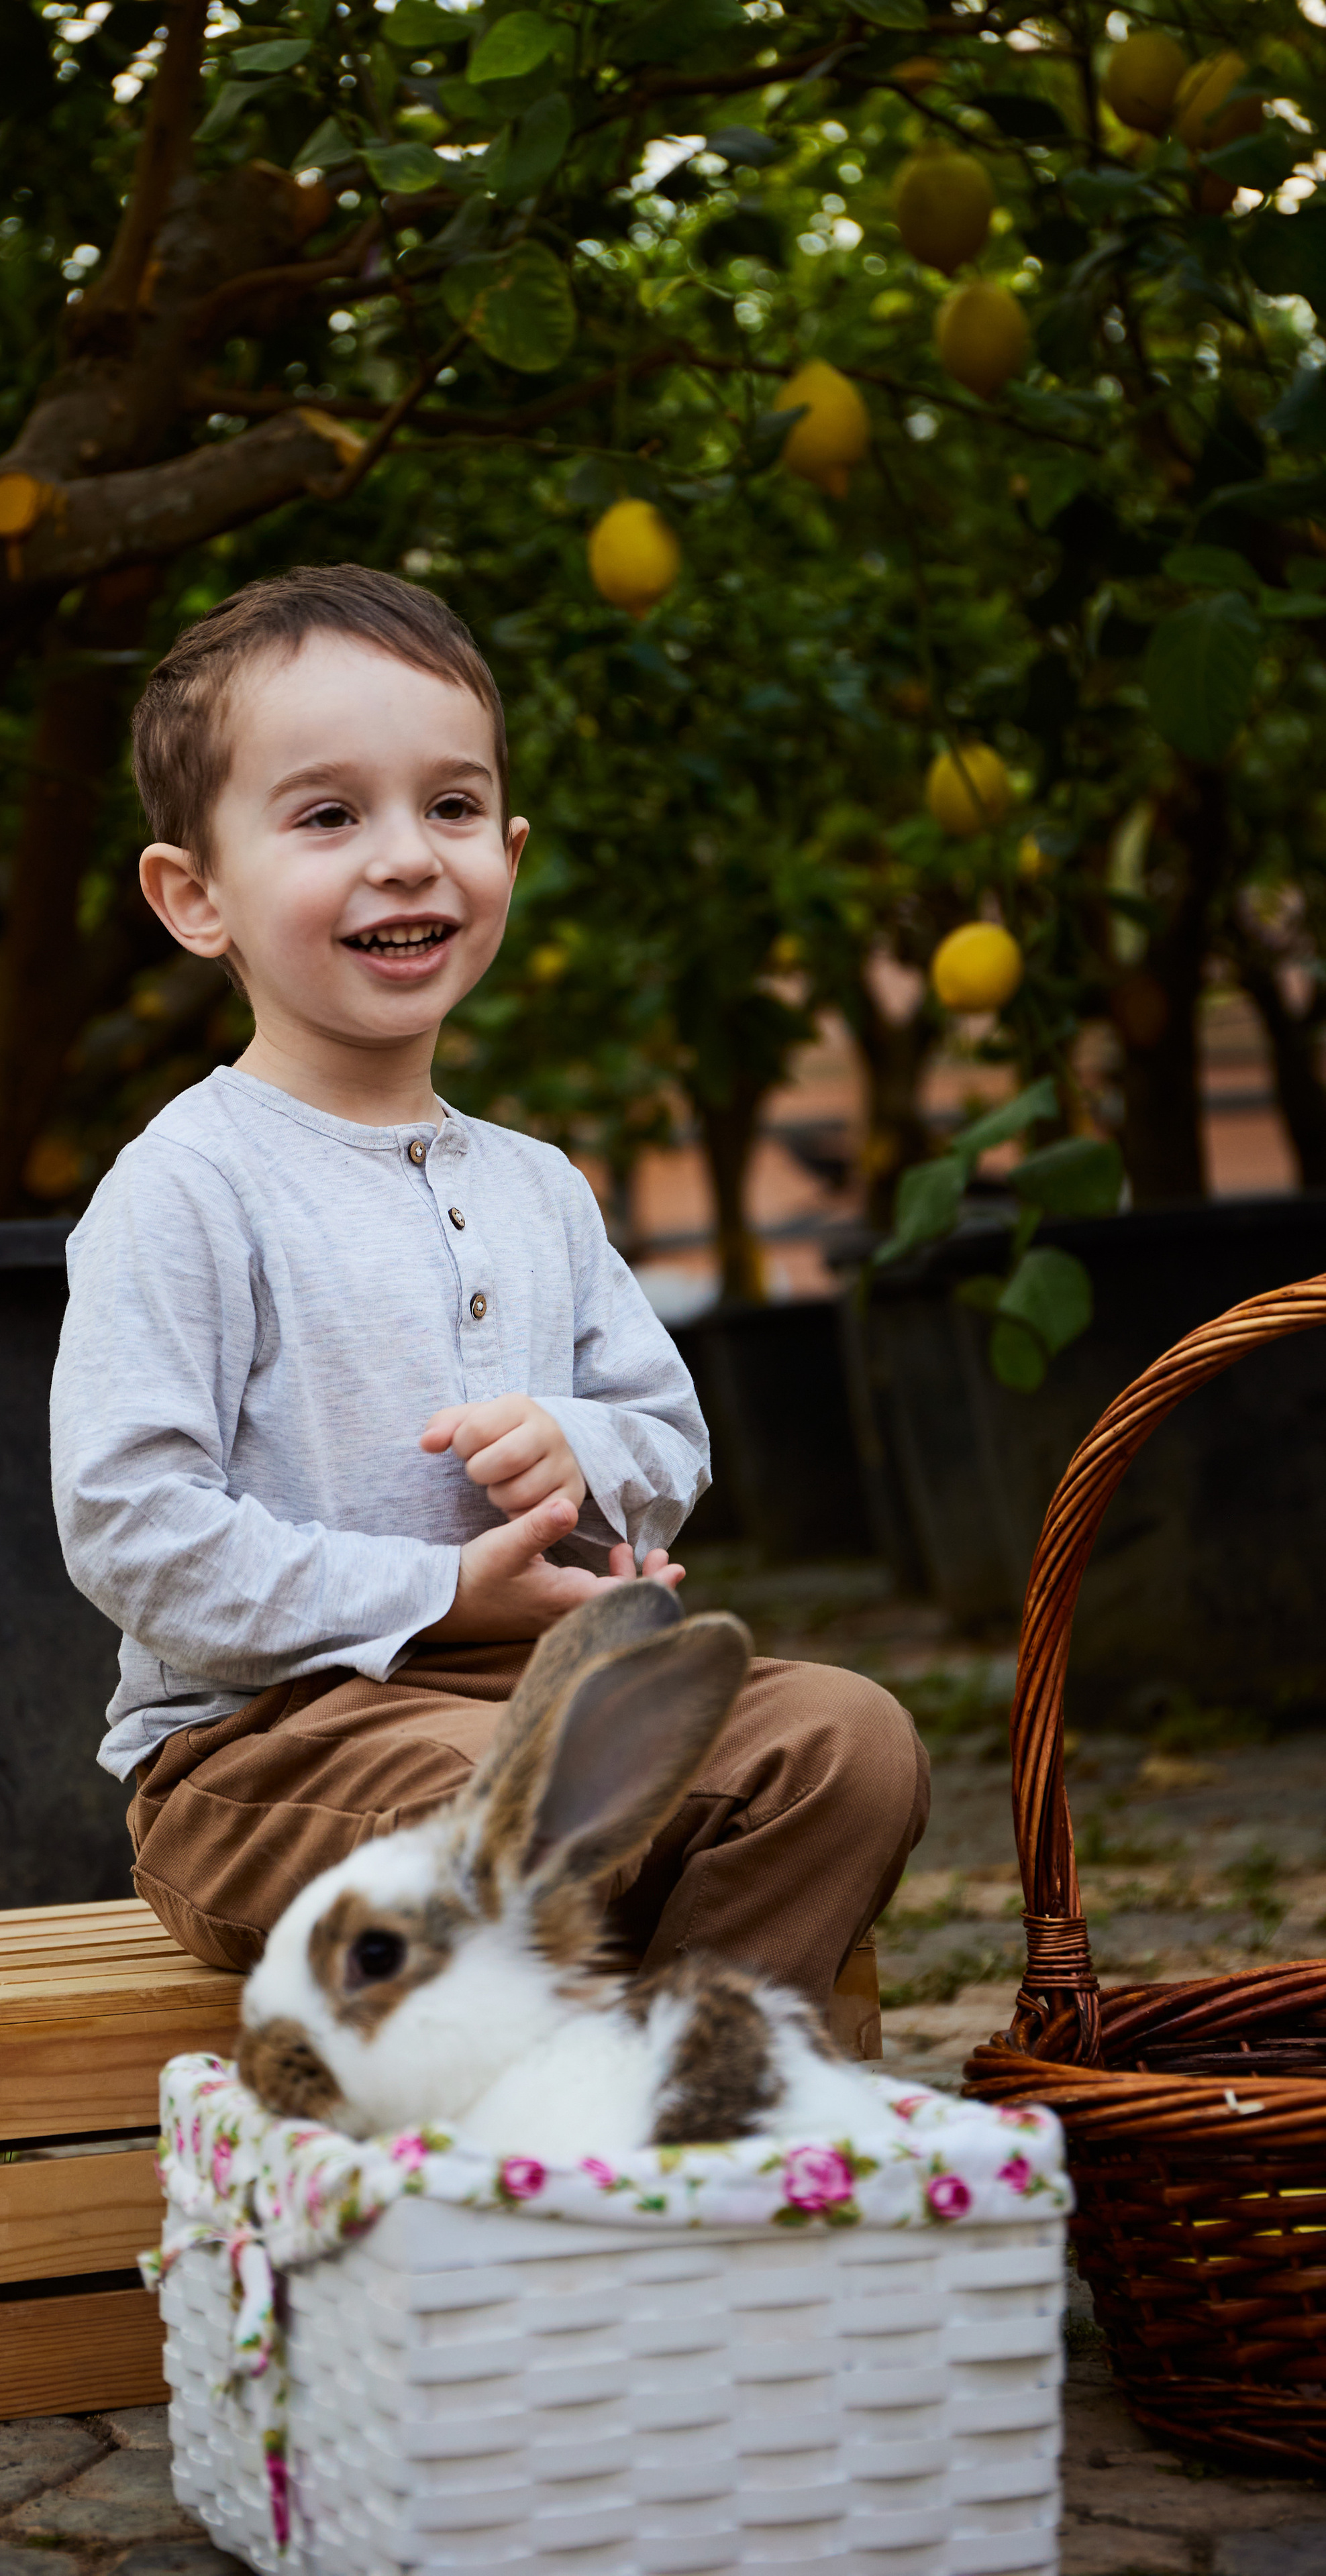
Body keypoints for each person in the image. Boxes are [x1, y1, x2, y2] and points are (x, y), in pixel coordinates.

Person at [50, 564, 927, 2017]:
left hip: (541, 1711)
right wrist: (442, 1590)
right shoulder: (188, 1183)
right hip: (267, 1756)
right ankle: (539, 2153)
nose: (407, 857)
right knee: (486, 1812)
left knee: (847, 1740)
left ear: (506, 851)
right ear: (192, 894)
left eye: (450, 808)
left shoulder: (534, 1186)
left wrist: (587, 1454)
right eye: (329, 815)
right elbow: (134, 1532)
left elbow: (667, 1433)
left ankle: (699, 2083)